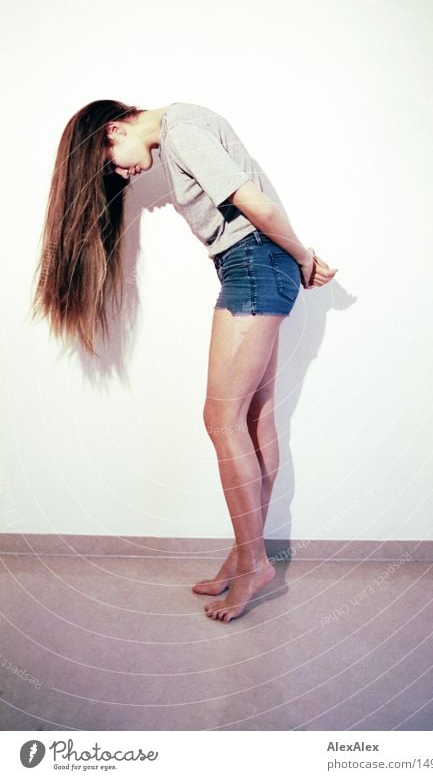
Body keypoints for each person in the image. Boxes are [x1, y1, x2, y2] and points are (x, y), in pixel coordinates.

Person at [31, 100, 338, 623]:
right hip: (259, 264)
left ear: (116, 128)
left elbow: (256, 205)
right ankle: (245, 553)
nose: (124, 175)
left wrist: (306, 258)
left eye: (113, 163)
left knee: (220, 419)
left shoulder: (181, 133)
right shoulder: (183, 130)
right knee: (251, 417)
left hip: (255, 262)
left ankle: (253, 565)